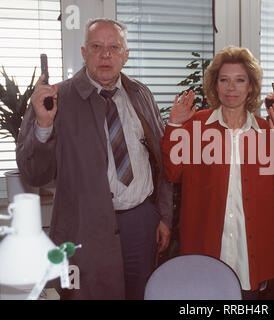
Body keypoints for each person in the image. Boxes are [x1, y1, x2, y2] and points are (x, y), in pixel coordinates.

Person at [16, 18, 172, 300]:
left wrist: (163, 216)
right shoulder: (55, 99)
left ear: (126, 55)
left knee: (144, 294)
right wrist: (43, 126)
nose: (106, 55)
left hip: (141, 223)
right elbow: (33, 175)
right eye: (97, 47)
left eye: (114, 47)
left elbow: (161, 161)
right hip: (84, 228)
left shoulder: (140, 93)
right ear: (84, 52)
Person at [161, 46, 274, 299]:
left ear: (251, 87)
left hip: (249, 257)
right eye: (224, 80)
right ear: (215, 85)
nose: (231, 88)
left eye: (240, 80)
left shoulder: (265, 130)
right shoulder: (196, 126)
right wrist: (174, 125)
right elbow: (172, 173)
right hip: (203, 249)